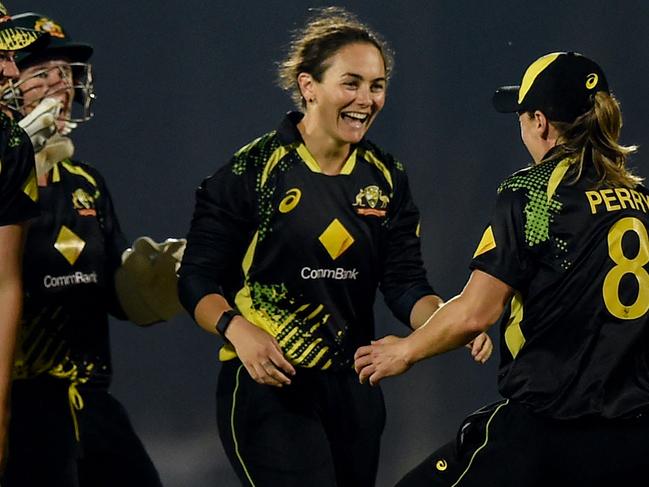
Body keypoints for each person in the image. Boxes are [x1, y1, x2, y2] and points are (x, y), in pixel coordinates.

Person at [179, 7, 491, 487]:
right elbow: (196, 279)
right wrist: (237, 330)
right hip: (272, 385)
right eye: (351, 83)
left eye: (377, 85)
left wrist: (450, 322)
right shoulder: (252, 171)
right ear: (309, 87)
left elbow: (405, 284)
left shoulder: (387, 178)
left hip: (355, 388)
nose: (366, 99)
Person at [354, 51, 649, 486]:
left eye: (523, 115)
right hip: (634, 439)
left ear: (540, 122)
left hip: (548, 433)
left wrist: (404, 350)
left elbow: (477, 312)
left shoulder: (531, 192)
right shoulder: (640, 200)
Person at [0, 12, 184, 486]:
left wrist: (150, 278)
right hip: (24, 400)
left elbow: (116, 297)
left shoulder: (85, 183)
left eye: (65, 73)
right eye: (41, 73)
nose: (60, 85)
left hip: (89, 396)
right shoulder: (5, 182)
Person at [0, 1, 45, 469]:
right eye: (1, 56)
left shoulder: (9, 143)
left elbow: (3, 284)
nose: (13, 72)